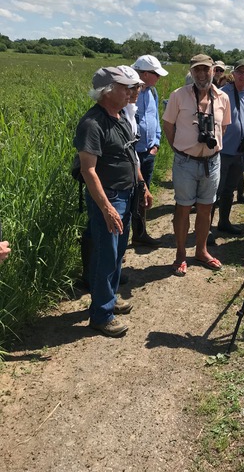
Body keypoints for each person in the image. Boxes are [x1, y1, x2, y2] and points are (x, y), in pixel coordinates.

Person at [74, 66, 153, 337]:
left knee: (117, 253)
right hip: (109, 198)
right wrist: (107, 207)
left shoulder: (118, 116)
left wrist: (141, 185)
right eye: (126, 87)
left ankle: (109, 296)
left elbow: (131, 154)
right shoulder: (92, 124)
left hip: (126, 194)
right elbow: (88, 171)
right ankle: (101, 314)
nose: (132, 91)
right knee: (106, 255)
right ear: (107, 91)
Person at [162, 54, 231, 276]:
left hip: (212, 162)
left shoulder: (222, 98)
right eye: (197, 70)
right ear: (191, 72)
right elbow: (168, 125)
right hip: (185, 161)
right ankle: (180, 254)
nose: (201, 74)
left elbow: (224, 128)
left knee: (206, 207)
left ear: (214, 71)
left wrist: (211, 149)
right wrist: (180, 149)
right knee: (183, 208)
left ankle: (201, 251)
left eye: (206, 70)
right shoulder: (178, 96)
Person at [214, 59, 244, 237]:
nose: (243, 76)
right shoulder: (222, 93)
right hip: (222, 150)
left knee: (230, 189)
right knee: (215, 191)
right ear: (233, 74)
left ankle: (224, 222)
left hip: (241, 151)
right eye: (240, 72)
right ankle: (205, 230)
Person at [131, 54, 168, 245]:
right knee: (128, 196)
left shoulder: (152, 92)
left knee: (143, 195)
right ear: (145, 74)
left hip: (148, 152)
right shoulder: (129, 92)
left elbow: (155, 119)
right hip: (130, 155)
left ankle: (139, 234)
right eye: (156, 74)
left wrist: (156, 143)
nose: (159, 78)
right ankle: (120, 243)